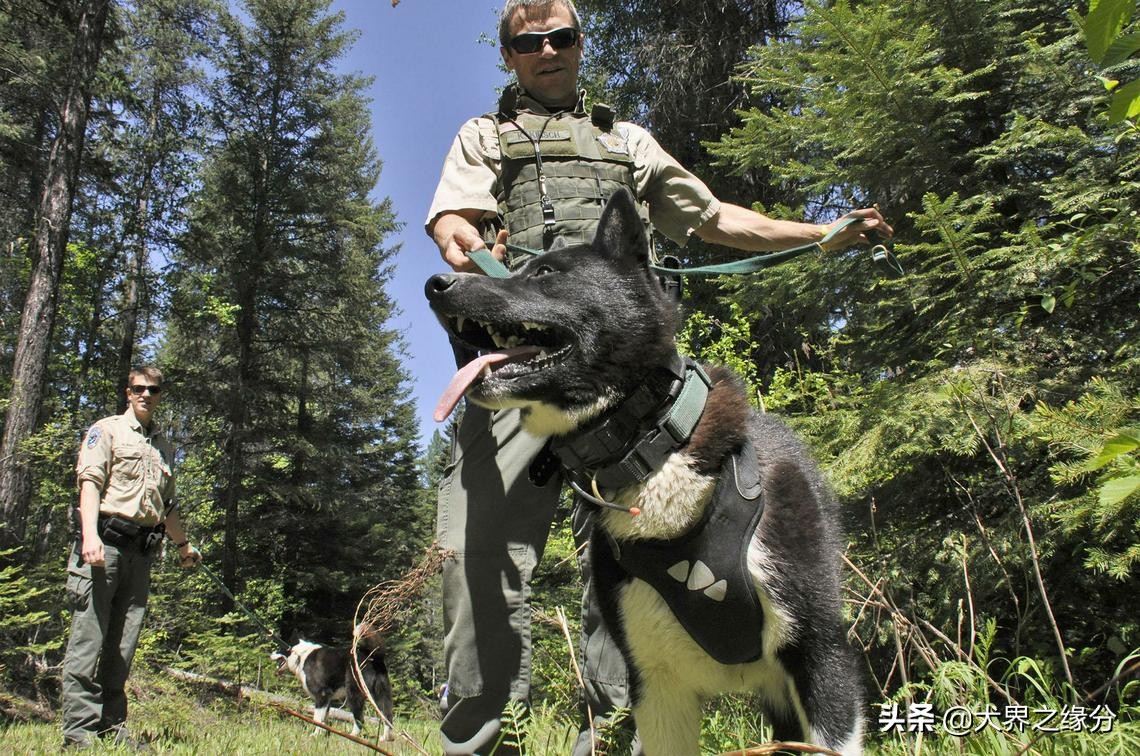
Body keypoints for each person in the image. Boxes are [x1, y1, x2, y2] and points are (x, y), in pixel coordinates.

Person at [424, 2, 893, 753]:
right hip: (523, 377)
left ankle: (618, 739)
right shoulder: (484, 136)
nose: (547, 50)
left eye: (562, 36)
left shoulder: (626, 142)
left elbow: (709, 219)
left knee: (632, 572)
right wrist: (466, 241)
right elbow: (453, 219)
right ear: (508, 55)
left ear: (580, 45)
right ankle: (478, 742)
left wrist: (822, 233)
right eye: (527, 41)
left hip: (624, 390)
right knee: (474, 561)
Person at [61, 366, 200, 748]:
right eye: (139, 388)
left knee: (124, 644)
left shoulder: (163, 447)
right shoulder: (106, 431)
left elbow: (166, 506)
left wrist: (183, 545)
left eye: (153, 389)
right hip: (102, 546)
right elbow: (90, 484)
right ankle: (78, 733)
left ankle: (111, 726)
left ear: (159, 395)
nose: (146, 395)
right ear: (128, 392)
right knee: (89, 639)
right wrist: (89, 535)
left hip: (141, 553)